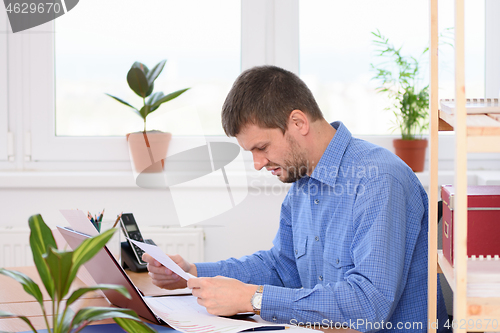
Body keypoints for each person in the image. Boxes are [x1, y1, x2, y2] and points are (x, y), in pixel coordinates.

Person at [143, 65, 450, 333]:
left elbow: (368, 303)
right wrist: (193, 273)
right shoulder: (303, 181)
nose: (258, 163)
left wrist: (253, 298)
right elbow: (282, 267)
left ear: (298, 123)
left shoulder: (378, 179)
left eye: (261, 147)